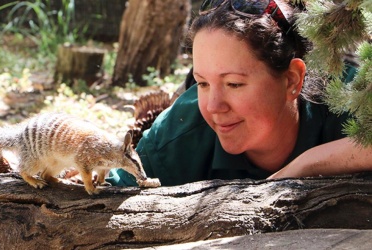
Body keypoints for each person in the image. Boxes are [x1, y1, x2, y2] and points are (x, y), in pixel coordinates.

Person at [106, 0, 372, 186]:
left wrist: (305, 166)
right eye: (202, 83)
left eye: (233, 84)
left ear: (292, 79)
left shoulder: (350, 94)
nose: (213, 106)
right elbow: (108, 200)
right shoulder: (178, 136)